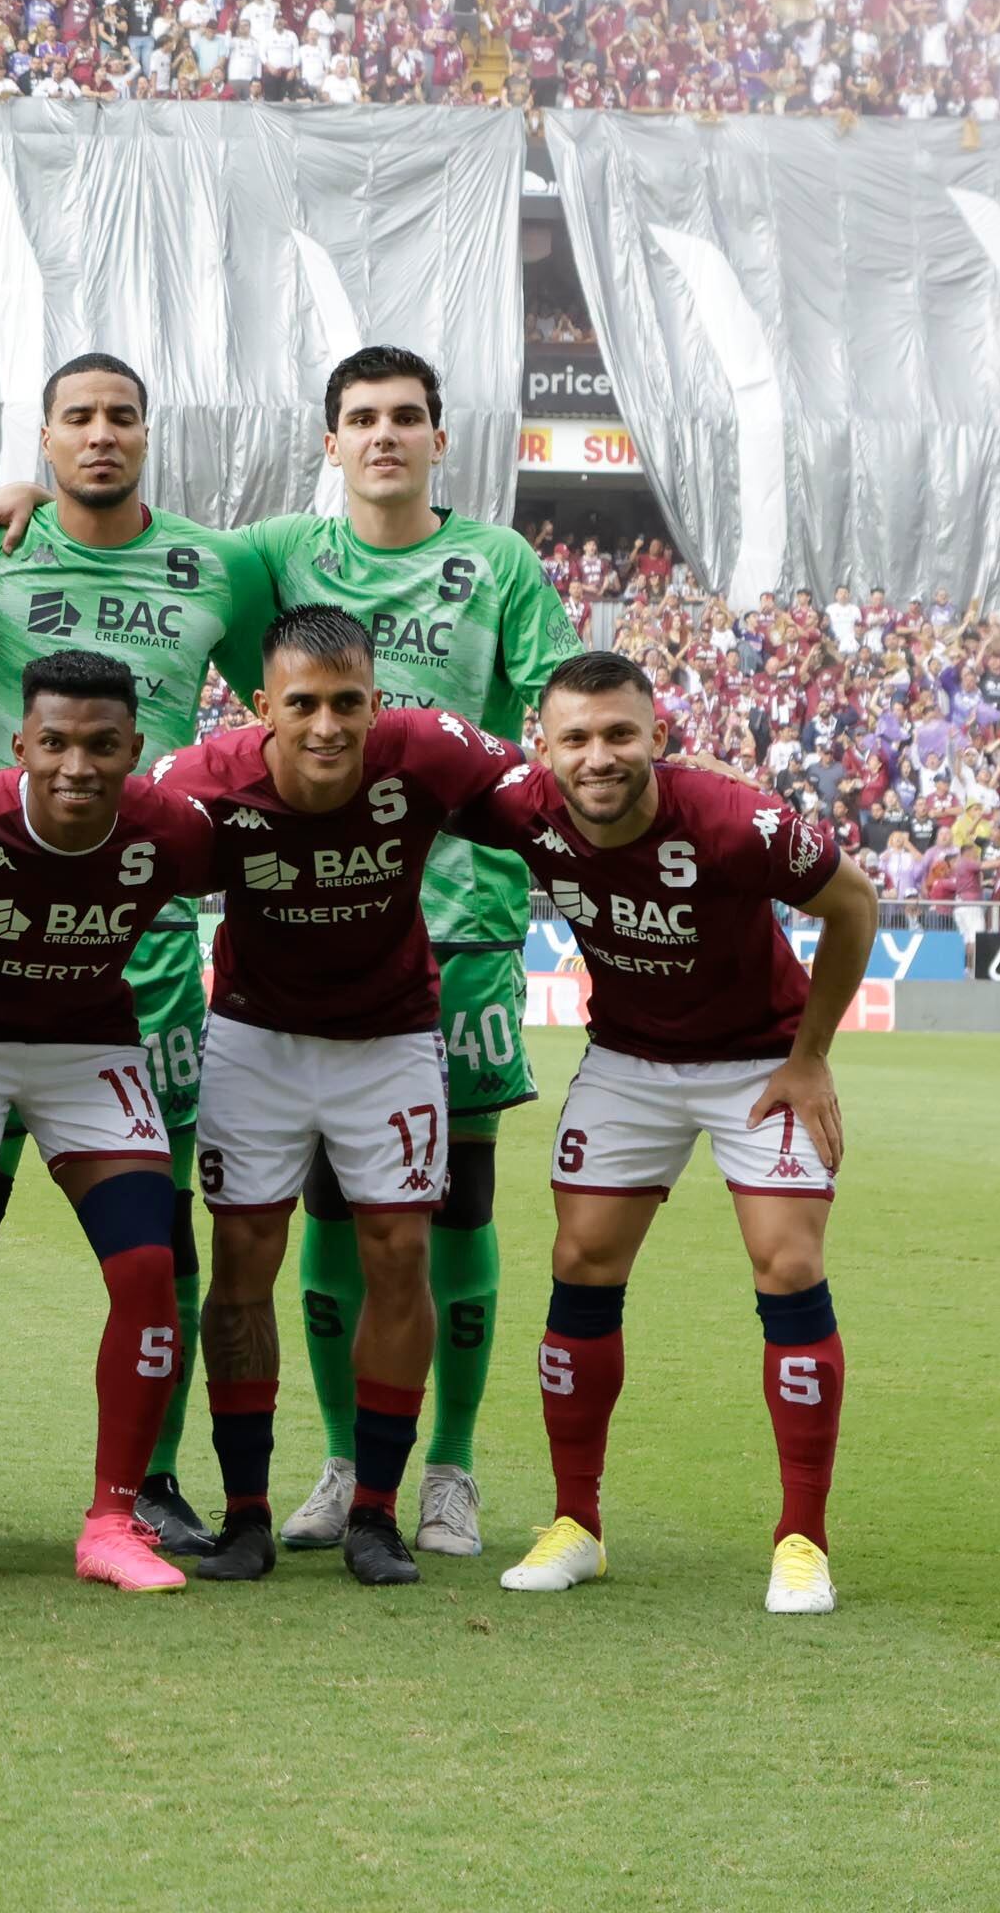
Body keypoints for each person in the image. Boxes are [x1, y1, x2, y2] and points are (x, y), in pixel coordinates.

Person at [192, 346, 580, 1557]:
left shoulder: (501, 563)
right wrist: (18, 503)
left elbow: (564, 712)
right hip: (306, 924)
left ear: (439, 438)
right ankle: (339, 1465)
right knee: (308, 1206)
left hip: (458, 931)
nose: (385, 437)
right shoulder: (273, 557)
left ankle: (449, 1467)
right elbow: (146, 543)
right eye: (361, 419)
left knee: (447, 1209)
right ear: (330, 441)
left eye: (408, 417)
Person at [0, 353, 272, 1550]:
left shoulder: (220, 564)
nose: (102, 435)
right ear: (46, 436)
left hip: (148, 947)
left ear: (150, 433)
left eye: (122, 416)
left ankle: (154, 1481)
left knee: (156, 1235)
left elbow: (295, 689)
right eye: (79, 419)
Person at [461, 652, 874, 1615]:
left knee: (789, 1268)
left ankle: (802, 1539)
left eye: (618, 734)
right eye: (575, 738)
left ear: (658, 734)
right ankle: (576, 1525)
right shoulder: (524, 811)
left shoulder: (739, 822)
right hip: (628, 1061)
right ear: (545, 748)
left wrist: (810, 1058)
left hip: (756, 1064)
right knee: (581, 1260)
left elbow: (853, 904)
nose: (598, 756)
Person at [149, 605, 520, 1586]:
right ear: (260, 705)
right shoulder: (201, 784)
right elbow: (102, 833)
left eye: (347, 703)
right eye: (302, 704)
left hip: (391, 1038)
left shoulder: (428, 747)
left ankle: (376, 1514)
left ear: (377, 701)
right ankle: (244, 1516)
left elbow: (544, 785)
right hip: (255, 1040)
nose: (326, 726)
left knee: (400, 1253)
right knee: (242, 1263)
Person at [0, 650, 216, 1593]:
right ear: (18, 743)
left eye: (103, 746)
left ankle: (113, 1521)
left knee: (150, 1269)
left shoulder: (172, 831)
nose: (77, 766)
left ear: (135, 750)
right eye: (54, 743)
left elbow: (272, 867)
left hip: (87, 1048)